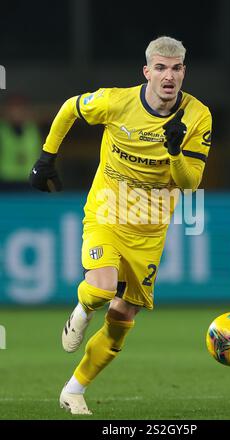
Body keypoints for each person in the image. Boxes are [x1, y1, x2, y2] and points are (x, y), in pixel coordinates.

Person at [29, 36, 212, 415]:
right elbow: (69, 108)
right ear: (147, 72)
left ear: (183, 73)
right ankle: (80, 312)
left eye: (176, 68)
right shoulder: (116, 102)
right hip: (107, 212)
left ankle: (74, 389)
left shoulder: (197, 116)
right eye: (160, 68)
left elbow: (191, 183)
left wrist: (174, 152)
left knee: (122, 319)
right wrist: (47, 157)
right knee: (101, 288)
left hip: (149, 231)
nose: (168, 76)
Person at [0, 94, 41, 191]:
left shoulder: (33, 130)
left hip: (30, 182)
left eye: (20, 108)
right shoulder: (2, 130)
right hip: (5, 182)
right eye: (13, 108)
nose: (16, 112)